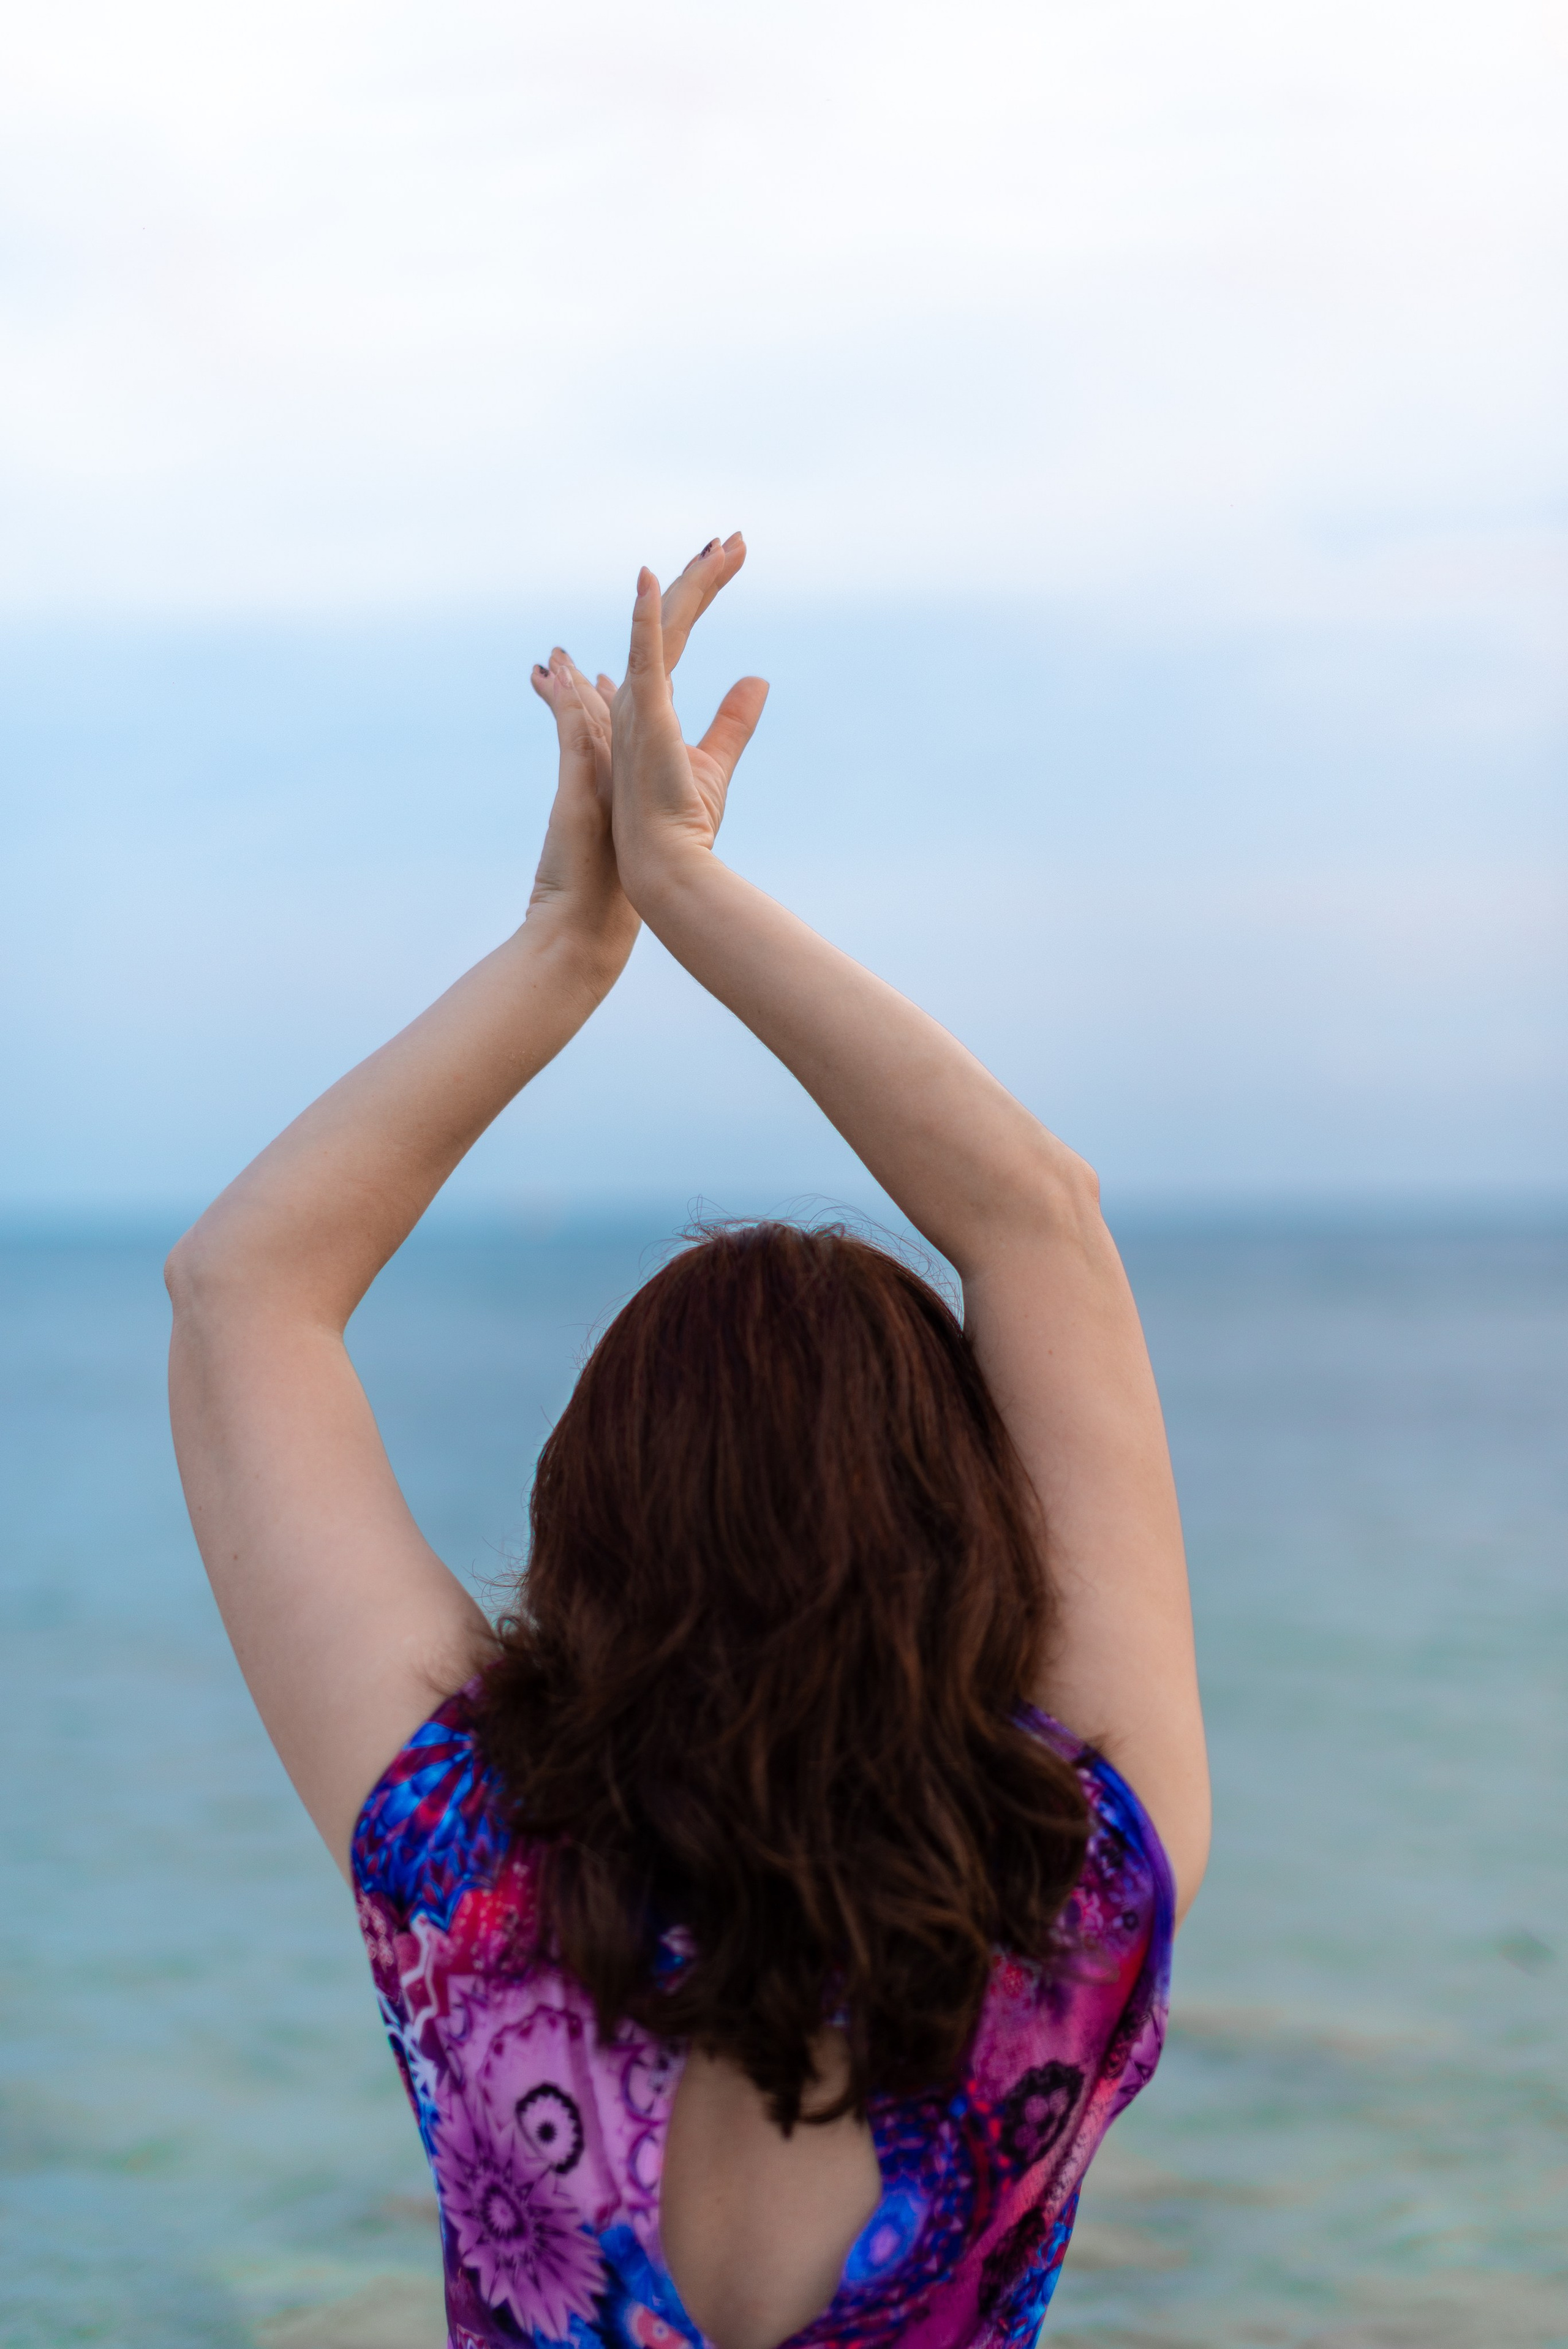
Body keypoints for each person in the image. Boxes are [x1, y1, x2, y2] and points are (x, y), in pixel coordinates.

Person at [165, 535, 1210, 2349]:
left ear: (588, 1527)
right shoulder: (1078, 1909)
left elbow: (242, 1291)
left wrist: (574, 947)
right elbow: (1036, 1218)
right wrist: (697, 890)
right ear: (968, 1533)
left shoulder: (469, 1878)